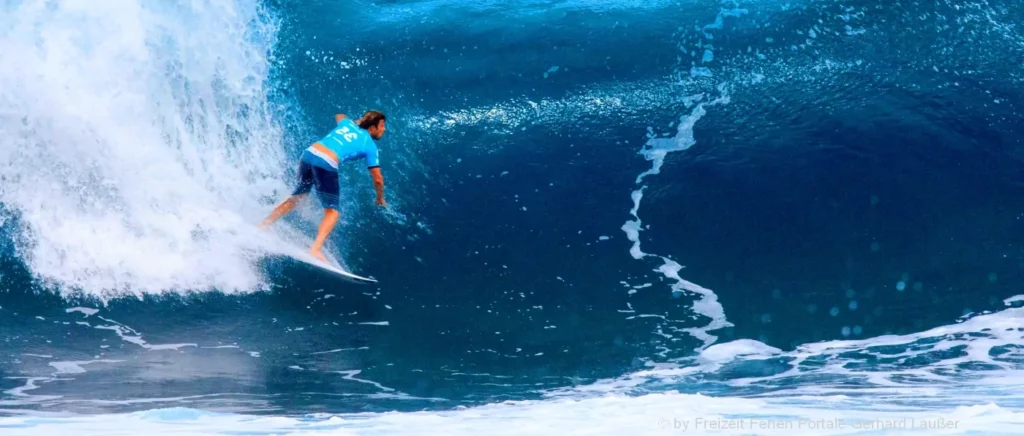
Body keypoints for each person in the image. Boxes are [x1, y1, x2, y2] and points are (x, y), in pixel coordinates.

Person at [260, 110, 388, 263]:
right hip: (325, 162)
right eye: (381, 125)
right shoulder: (370, 145)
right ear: (372, 128)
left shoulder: (347, 124)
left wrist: (359, 121)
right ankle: (315, 249)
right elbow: (378, 179)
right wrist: (380, 198)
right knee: (332, 212)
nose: (384, 129)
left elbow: (339, 115)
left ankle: (264, 224)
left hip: (309, 154)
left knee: (298, 197)